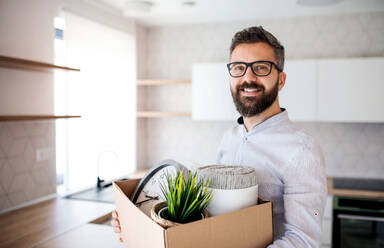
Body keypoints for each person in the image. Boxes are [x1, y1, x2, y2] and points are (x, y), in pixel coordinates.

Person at [112, 26, 327, 247]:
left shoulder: (302, 149)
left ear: (281, 80)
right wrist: (137, 221)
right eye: (238, 68)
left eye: (261, 68)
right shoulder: (229, 138)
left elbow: (304, 241)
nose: (248, 78)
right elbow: (214, 214)